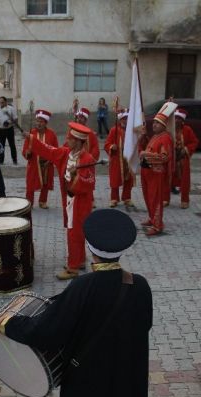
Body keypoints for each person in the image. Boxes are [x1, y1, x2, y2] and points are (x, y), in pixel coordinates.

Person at [0, 209, 152, 397]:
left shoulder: (82, 286)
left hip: (89, 382)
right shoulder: (139, 285)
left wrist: (9, 323)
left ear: (89, 247)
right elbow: (144, 325)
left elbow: (47, 331)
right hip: (127, 379)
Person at [28, 122, 96, 280]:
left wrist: (74, 175)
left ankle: (73, 268)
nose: (67, 141)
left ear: (79, 141)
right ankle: (79, 261)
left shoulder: (87, 158)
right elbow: (48, 150)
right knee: (74, 231)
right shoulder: (66, 153)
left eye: (70, 139)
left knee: (75, 233)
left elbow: (89, 182)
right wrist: (31, 139)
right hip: (70, 200)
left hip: (80, 203)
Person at [140, 105, 174, 236]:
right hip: (147, 172)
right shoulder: (155, 136)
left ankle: (157, 225)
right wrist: (143, 138)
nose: (154, 125)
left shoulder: (165, 138)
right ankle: (151, 218)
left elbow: (165, 157)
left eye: (157, 123)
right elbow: (148, 149)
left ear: (164, 126)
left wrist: (147, 155)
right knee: (148, 197)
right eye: (154, 122)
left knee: (155, 199)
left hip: (156, 174)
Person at [22, 109, 58, 209]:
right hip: (34, 163)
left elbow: (56, 149)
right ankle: (29, 202)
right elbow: (25, 149)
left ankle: (43, 201)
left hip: (47, 163)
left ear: (45, 123)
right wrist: (27, 153)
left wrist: (50, 161)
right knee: (30, 184)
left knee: (45, 183)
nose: (39, 123)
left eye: (41, 121)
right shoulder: (31, 134)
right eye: (37, 121)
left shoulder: (52, 134)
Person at [104, 109, 134, 208]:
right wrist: (112, 147)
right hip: (117, 158)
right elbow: (107, 144)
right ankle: (114, 198)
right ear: (120, 119)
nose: (125, 121)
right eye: (124, 119)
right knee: (115, 179)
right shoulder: (114, 130)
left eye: (127, 119)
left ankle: (127, 198)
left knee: (128, 178)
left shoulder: (132, 130)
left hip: (128, 158)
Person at [170, 108, 199, 209]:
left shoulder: (187, 129)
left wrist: (186, 149)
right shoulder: (170, 129)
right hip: (171, 159)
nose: (176, 120)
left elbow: (194, 142)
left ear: (182, 120)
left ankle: (184, 200)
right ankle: (165, 199)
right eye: (175, 118)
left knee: (185, 180)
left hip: (183, 159)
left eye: (178, 118)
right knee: (167, 179)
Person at [0, 96, 19, 165]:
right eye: (0, 102)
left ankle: (14, 160)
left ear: (6, 102)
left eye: (2, 102)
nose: (1, 104)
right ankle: (1, 160)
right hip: (1, 130)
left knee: (12, 145)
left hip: (9, 129)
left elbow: (15, 119)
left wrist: (9, 122)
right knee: (1, 145)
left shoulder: (11, 109)